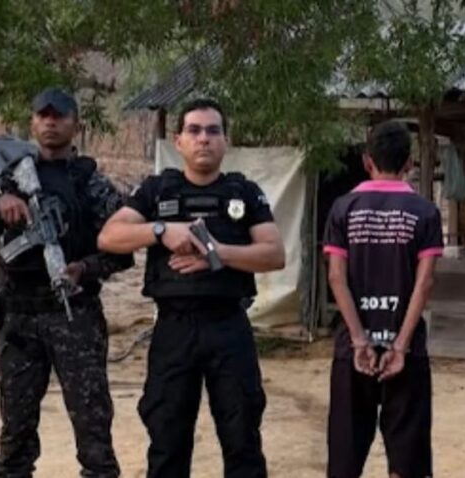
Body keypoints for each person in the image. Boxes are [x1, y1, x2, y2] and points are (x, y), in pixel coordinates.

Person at [97, 98, 285, 478]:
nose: (204, 139)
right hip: (174, 329)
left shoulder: (244, 193)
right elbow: (109, 236)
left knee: (242, 439)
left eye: (213, 131)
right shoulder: (157, 190)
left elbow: (274, 254)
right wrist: (162, 230)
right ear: (178, 141)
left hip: (228, 326)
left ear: (226, 141)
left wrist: (217, 253)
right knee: (167, 439)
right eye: (194, 130)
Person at [0, 88, 132, 478]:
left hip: (74, 316)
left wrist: (84, 269)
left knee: (93, 434)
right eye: (42, 116)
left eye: (59, 116)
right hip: (20, 318)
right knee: (15, 436)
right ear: (32, 123)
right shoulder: (11, 178)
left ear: (75, 125)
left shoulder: (90, 183)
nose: (50, 122)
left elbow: (124, 249)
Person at [322, 120, 442, 478]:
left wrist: (360, 339)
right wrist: (401, 345)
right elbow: (424, 283)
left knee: (345, 457)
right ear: (409, 163)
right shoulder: (425, 212)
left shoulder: (343, 208)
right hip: (406, 349)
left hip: (352, 350)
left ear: (367, 161)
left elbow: (336, 277)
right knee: (408, 460)